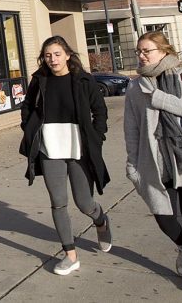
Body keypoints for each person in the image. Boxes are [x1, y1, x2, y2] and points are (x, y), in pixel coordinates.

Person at [125, 31, 182, 295]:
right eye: (139, 51)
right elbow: (132, 128)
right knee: (164, 218)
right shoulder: (135, 86)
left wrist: (162, 99)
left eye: (147, 50)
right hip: (153, 161)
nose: (141, 55)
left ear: (163, 52)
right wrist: (132, 164)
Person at [20, 35, 111, 276]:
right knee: (58, 202)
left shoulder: (83, 80)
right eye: (48, 55)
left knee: (84, 203)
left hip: (79, 148)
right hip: (50, 149)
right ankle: (70, 255)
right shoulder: (39, 81)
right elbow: (27, 106)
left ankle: (101, 220)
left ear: (68, 55)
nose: (52, 59)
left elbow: (99, 110)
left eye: (57, 54)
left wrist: (97, 136)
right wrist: (28, 129)